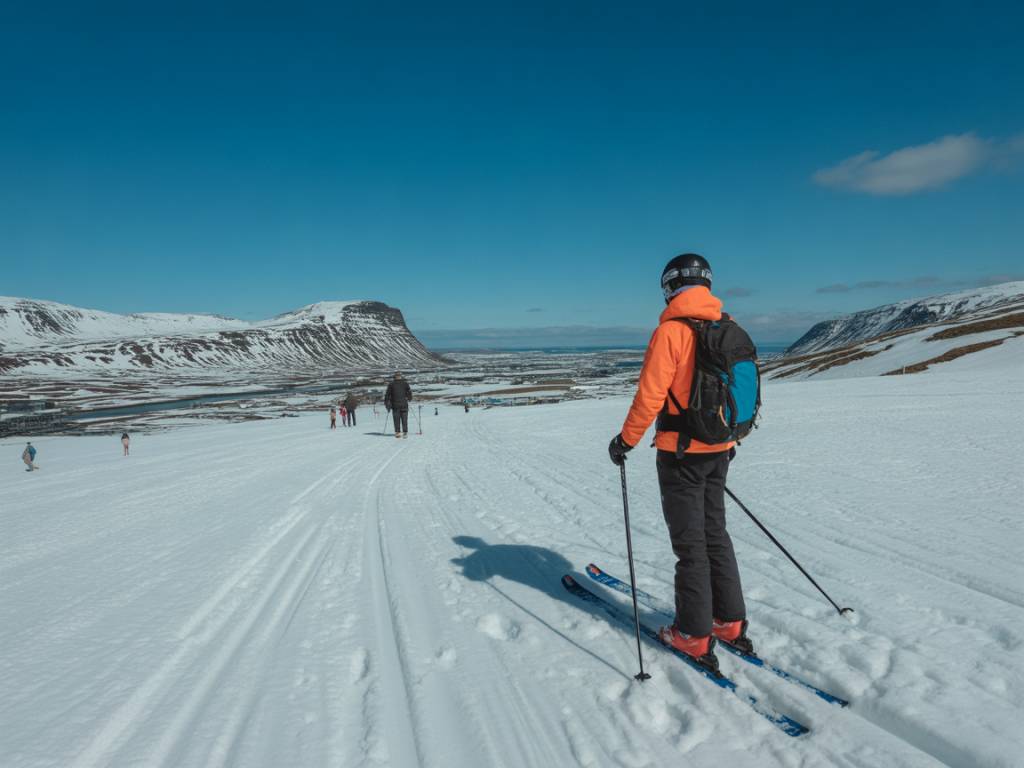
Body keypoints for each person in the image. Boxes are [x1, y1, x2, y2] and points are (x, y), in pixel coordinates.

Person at [607, 253, 751, 669]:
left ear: (670, 287)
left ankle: (692, 634)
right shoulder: (729, 327)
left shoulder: (671, 332)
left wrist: (625, 441)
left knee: (690, 546)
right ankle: (728, 622)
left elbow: (650, 396)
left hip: (680, 452)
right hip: (720, 448)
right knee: (715, 535)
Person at [384, 372, 412, 438]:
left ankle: (398, 432)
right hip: (404, 404)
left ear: (394, 377)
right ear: (400, 376)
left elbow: (387, 395)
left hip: (395, 405)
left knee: (396, 419)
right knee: (404, 419)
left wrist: (387, 404)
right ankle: (405, 432)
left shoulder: (391, 384)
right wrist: (409, 398)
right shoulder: (405, 384)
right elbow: (409, 393)